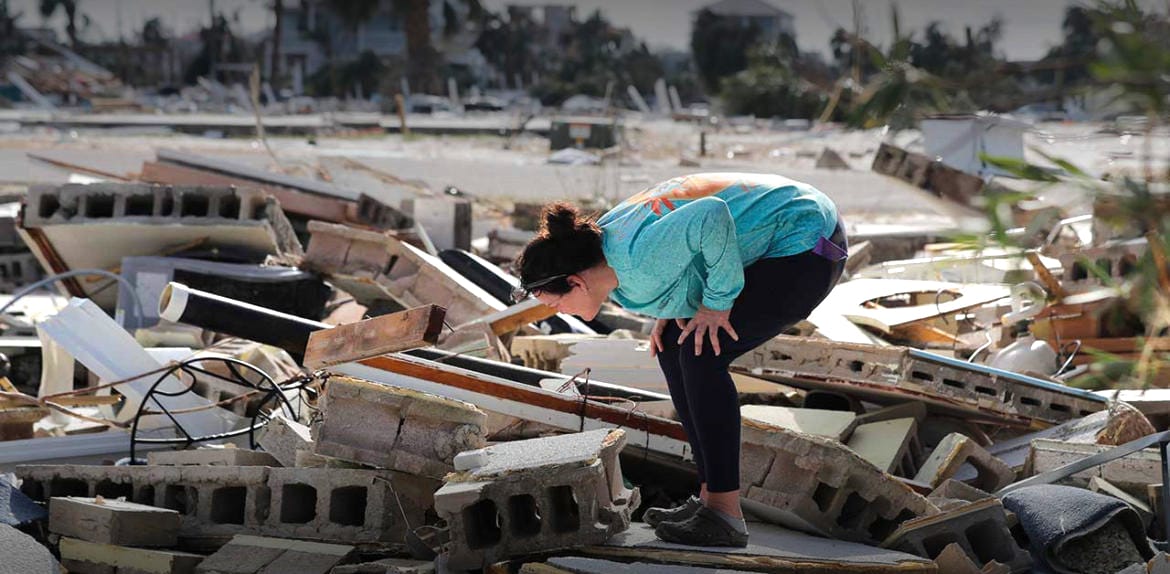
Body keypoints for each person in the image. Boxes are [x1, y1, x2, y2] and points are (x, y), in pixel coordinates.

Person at [512, 172, 847, 547]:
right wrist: (676, 305)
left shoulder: (637, 259)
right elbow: (678, 244)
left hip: (807, 243)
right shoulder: (599, 245)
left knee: (704, 353)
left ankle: (725, 513)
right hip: (778, 231)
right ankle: (707, 498)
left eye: (557, 303)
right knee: (672, 341)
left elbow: (710, 214)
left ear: (576, 282)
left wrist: (716, 304)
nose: (561, 310)